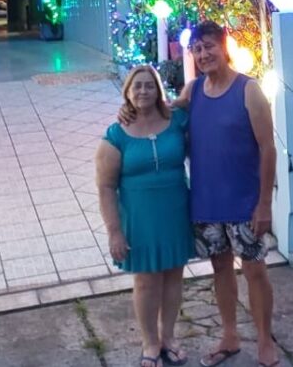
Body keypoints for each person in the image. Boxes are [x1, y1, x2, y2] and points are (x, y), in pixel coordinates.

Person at [126, 21, 280, 367]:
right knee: (221, 270)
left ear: (223, 48)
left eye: (209, 46)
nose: (203, 54)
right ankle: (229, 336)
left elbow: (268, 149)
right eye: (197, 49)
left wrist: (264, 204)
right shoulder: (194, 91)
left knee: (255, 271)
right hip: (207, 204)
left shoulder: (248, 90)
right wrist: (132, 110)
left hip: (245, 204)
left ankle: (265, 340)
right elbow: (163, 110)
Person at [96, 65, 194, 367]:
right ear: (127, 91)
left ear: (158, 90)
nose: (142, 91)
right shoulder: (116, 134)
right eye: (136, 86)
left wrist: (177, 102)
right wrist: (114, 231)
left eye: (148, 86)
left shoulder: (176, 120)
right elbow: (106, 186)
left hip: (175, 211)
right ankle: (150, 342)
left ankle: (169, 338)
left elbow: (195, 94)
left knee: (174, 277)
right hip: (139, 218)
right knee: (146, 281)